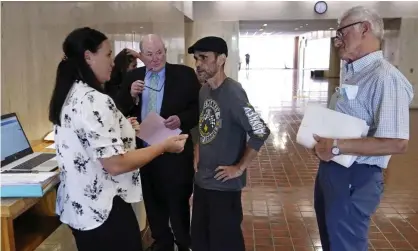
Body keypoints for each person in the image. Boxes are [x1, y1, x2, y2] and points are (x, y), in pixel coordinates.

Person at [48, 27, 188, 251]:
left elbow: (93, 141)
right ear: (88, 57)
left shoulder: (71, 93)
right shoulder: (94, 100)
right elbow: (115, 164)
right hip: (103, 209)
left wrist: (125, 130)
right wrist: (163, 146)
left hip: (80, 206)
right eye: (108, 54)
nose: (113, 62)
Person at [312, 6, 414, 251]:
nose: (338, 42)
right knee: (331, 240)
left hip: (356, 175)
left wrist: (337, 146)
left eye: (342, 33)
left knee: (346, 244)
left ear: (364, 29)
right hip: (333, 170)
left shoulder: (385, 77)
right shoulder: (355, 73)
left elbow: (397, 142)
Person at [115, 34, 200, 251]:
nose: (155, 59)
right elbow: (118, 110)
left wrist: (182, 119)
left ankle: (183, 243)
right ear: (141, 55)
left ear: (165, 51)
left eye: (159, 53)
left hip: (175, 154)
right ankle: (162, 242)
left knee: (178, 203)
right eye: (150, 54)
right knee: (153, 205)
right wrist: (130, 95)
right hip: (145, 153)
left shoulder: (184, 74)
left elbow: (197, 109)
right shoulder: (133, 76)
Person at [187, 36, 271, 251]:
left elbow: (260, 130)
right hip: (203, 182)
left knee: (225, 244)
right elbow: (201, 124)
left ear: (221, 59)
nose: (198, 64)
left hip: (224, 188)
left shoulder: (234, 92)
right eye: (196, 58)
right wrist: (197, 148)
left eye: (204, 58)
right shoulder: (203, 91)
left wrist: (239, 168)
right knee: (200, 242)